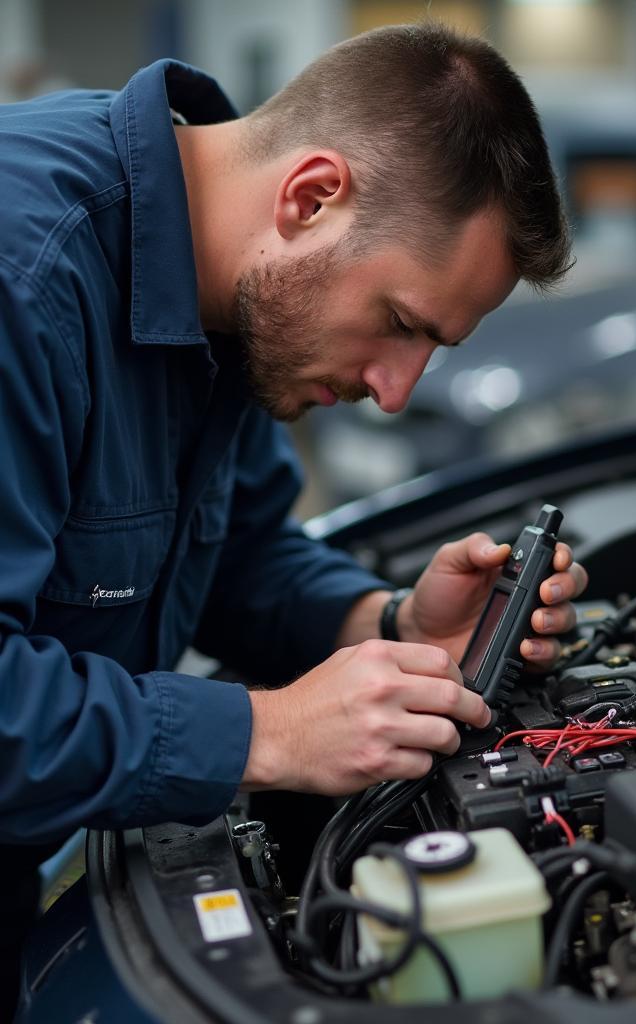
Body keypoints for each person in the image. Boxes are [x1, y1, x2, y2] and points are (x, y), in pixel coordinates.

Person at [0, 22, 585, 1019]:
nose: (396, 392)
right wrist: (262, 734)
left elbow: (235, 552)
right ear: (312, 197)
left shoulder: (230, 280)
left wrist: (392, 625)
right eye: (402, 324)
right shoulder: (25, 281)